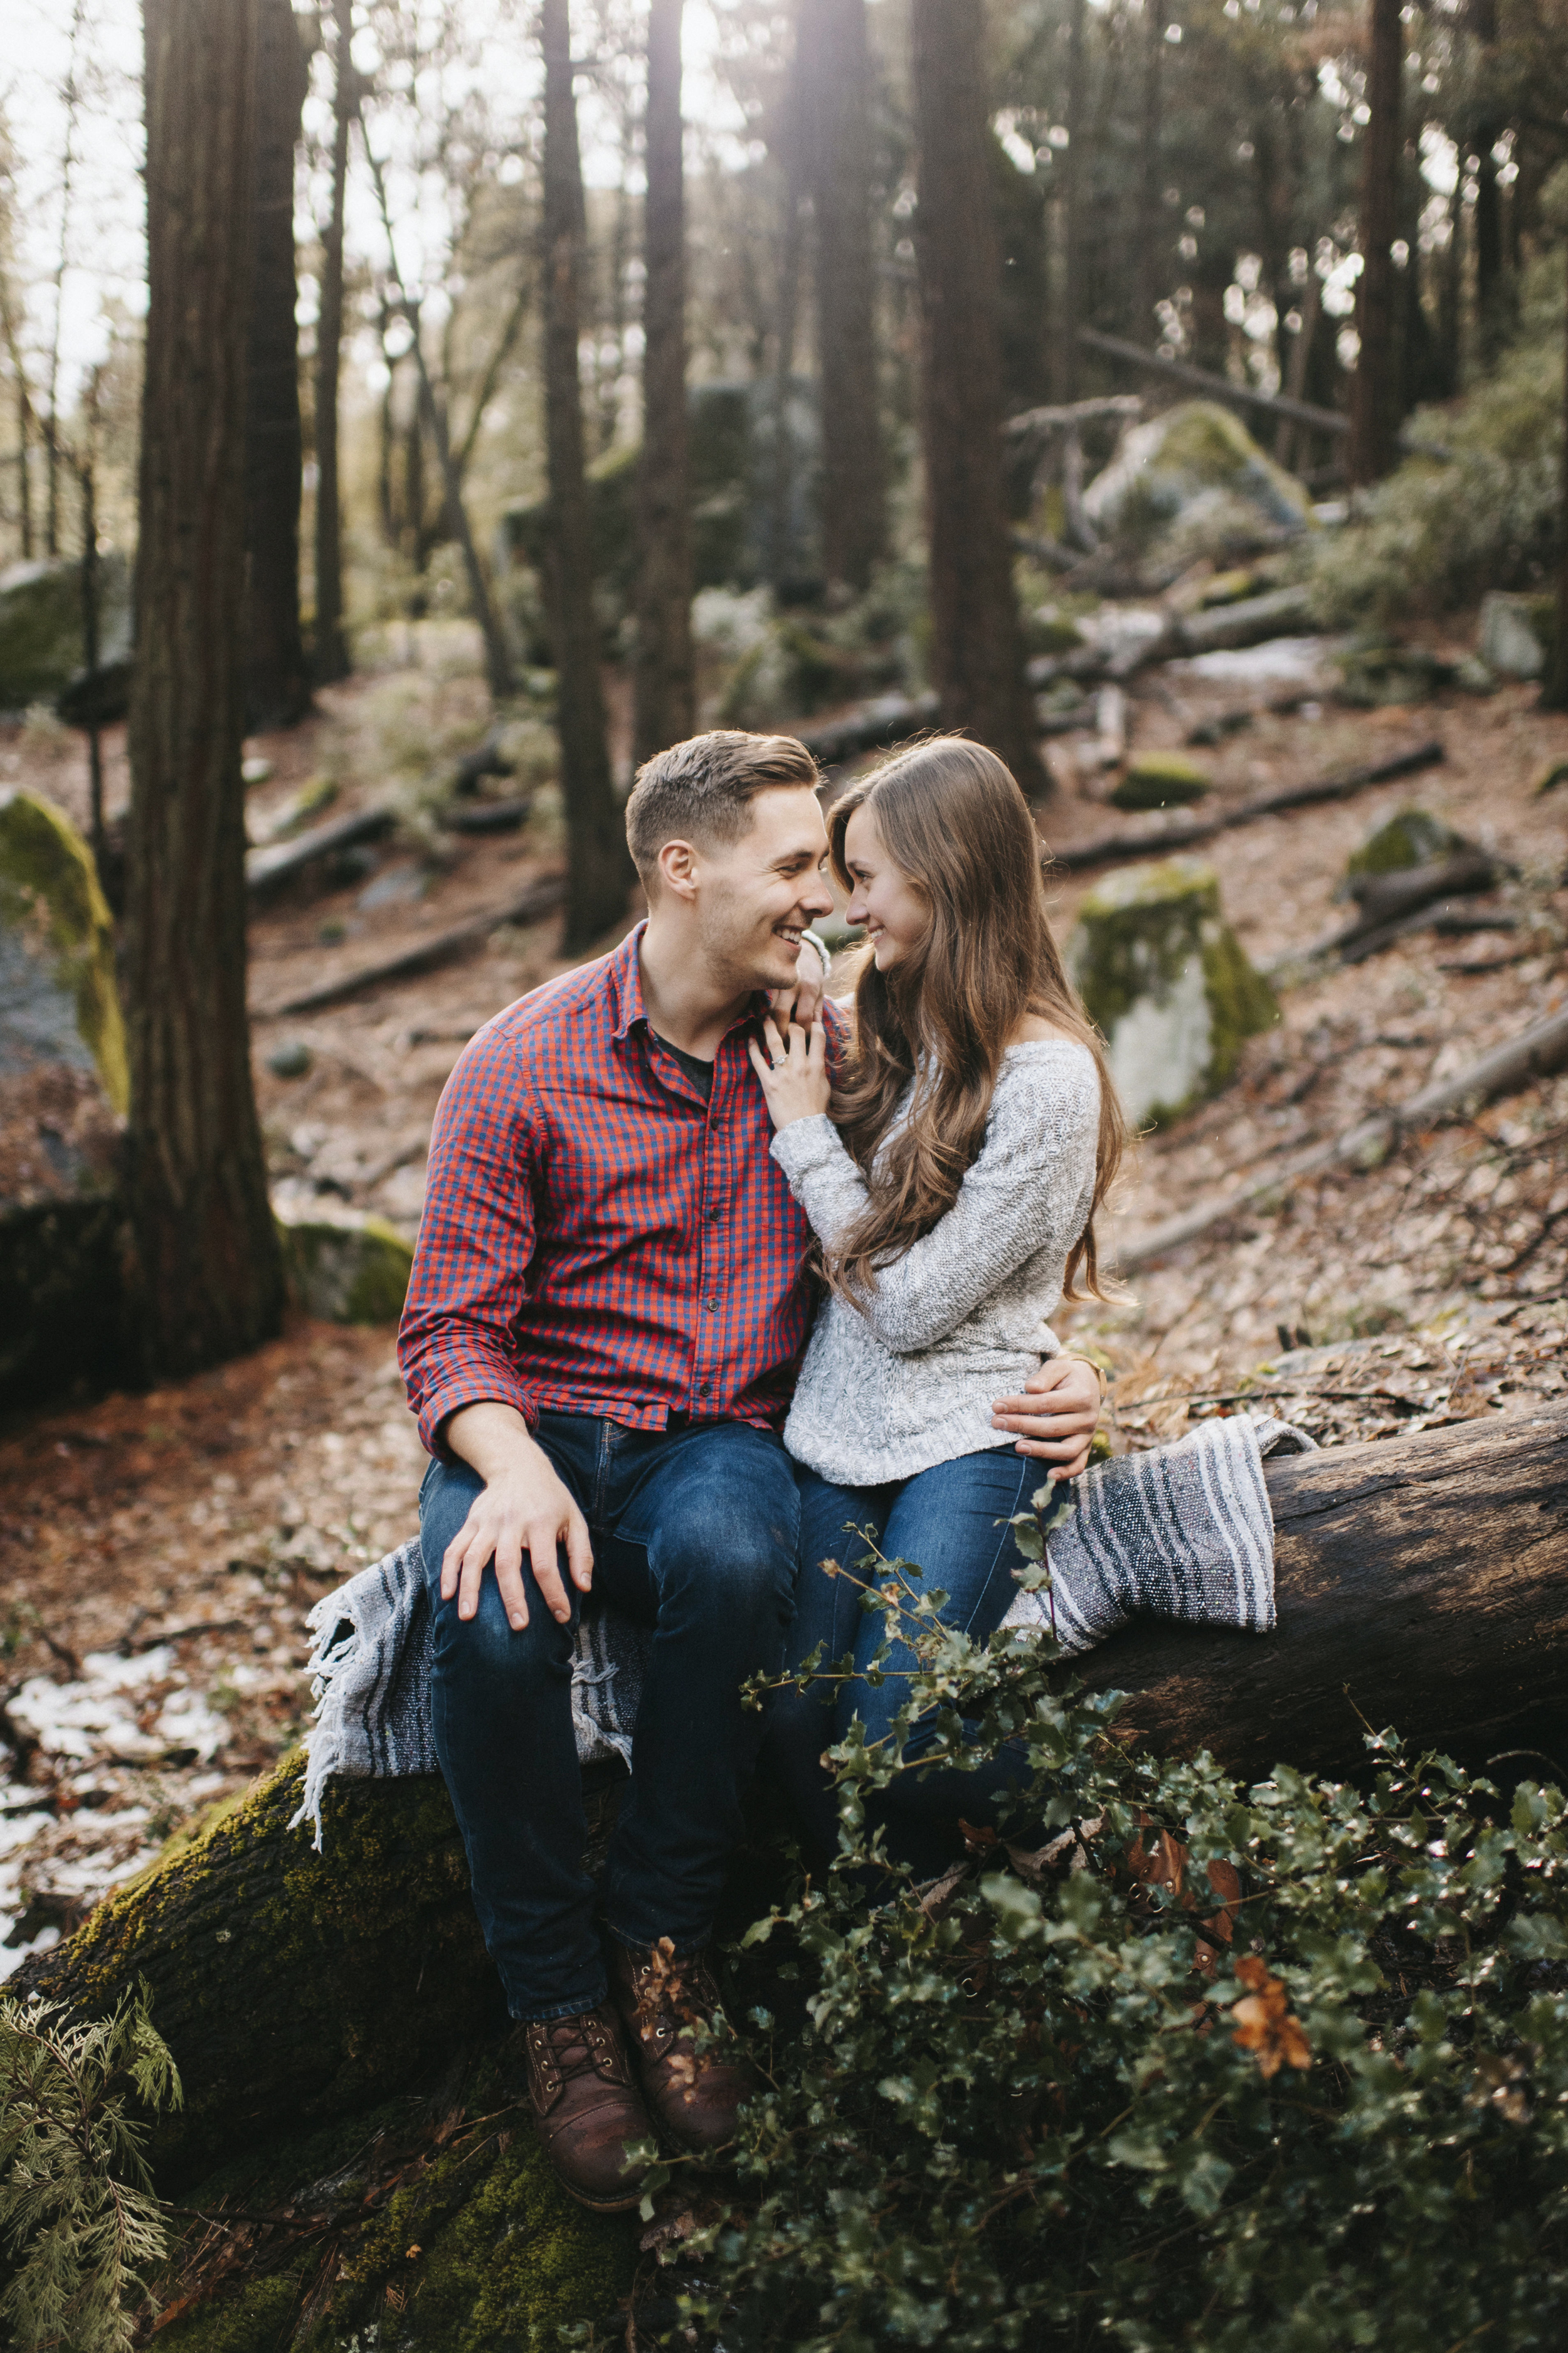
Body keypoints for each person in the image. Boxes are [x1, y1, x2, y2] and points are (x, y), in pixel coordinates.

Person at [397, 729, 1101, 2214]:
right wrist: (510, 1467)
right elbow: (446, 1326)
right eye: (793, 868)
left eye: (833, 875)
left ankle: (662, 1943)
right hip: (530, 1427)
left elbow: (970, 1212)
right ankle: (558, 2011)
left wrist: (1071, 1367)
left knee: (732, 1562)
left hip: (713, 1439)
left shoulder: (833, 1050)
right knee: (486, 1621)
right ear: (680, 869)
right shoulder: (520, 1060)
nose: (821, 904)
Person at [750, 736, 1125, 1881]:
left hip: (975, 1435)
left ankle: (1078, 1801)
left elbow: (911, 1310)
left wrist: (804, 1131)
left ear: (948, 873)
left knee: (897, 1731)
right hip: (835, 1435)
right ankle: (908, 1909)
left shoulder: (1048, 1082)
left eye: (867, 879)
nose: (847, 906)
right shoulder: (899, 1016)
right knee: (786, 1723)